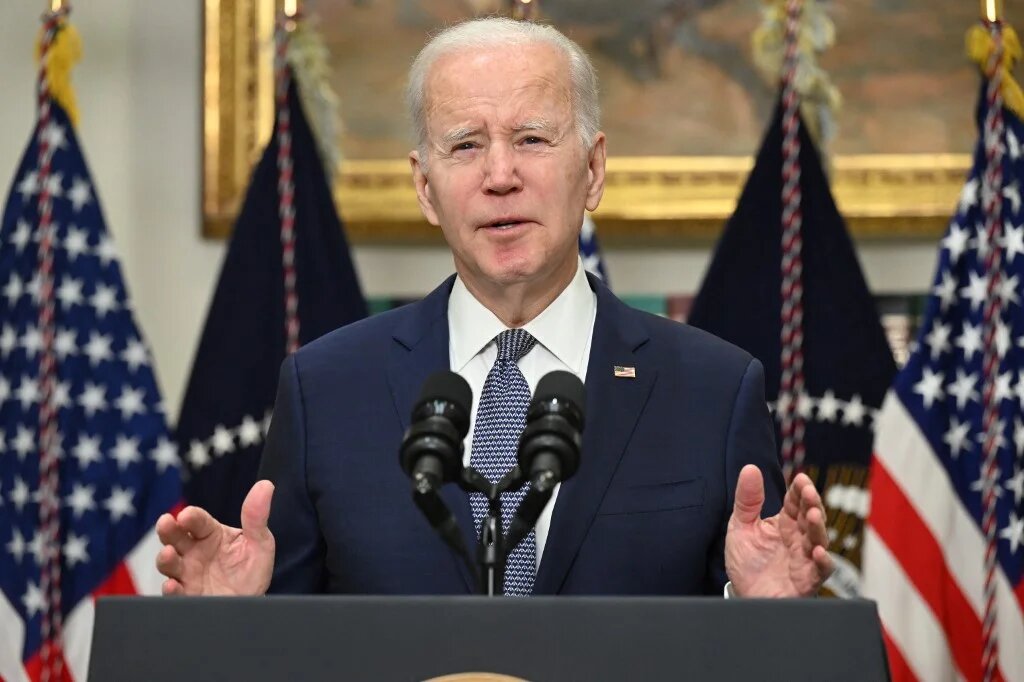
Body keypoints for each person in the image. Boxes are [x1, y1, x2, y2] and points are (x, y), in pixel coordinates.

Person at [155, 17, 832, 598]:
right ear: (425, 187)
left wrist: (764, 612)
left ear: (592, 171)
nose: (501, 175)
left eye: (532, 139)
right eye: (466, 145)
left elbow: (746, 642)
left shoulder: (712, 390)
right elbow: (297, 649)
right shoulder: (325, 389)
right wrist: (238, 620)